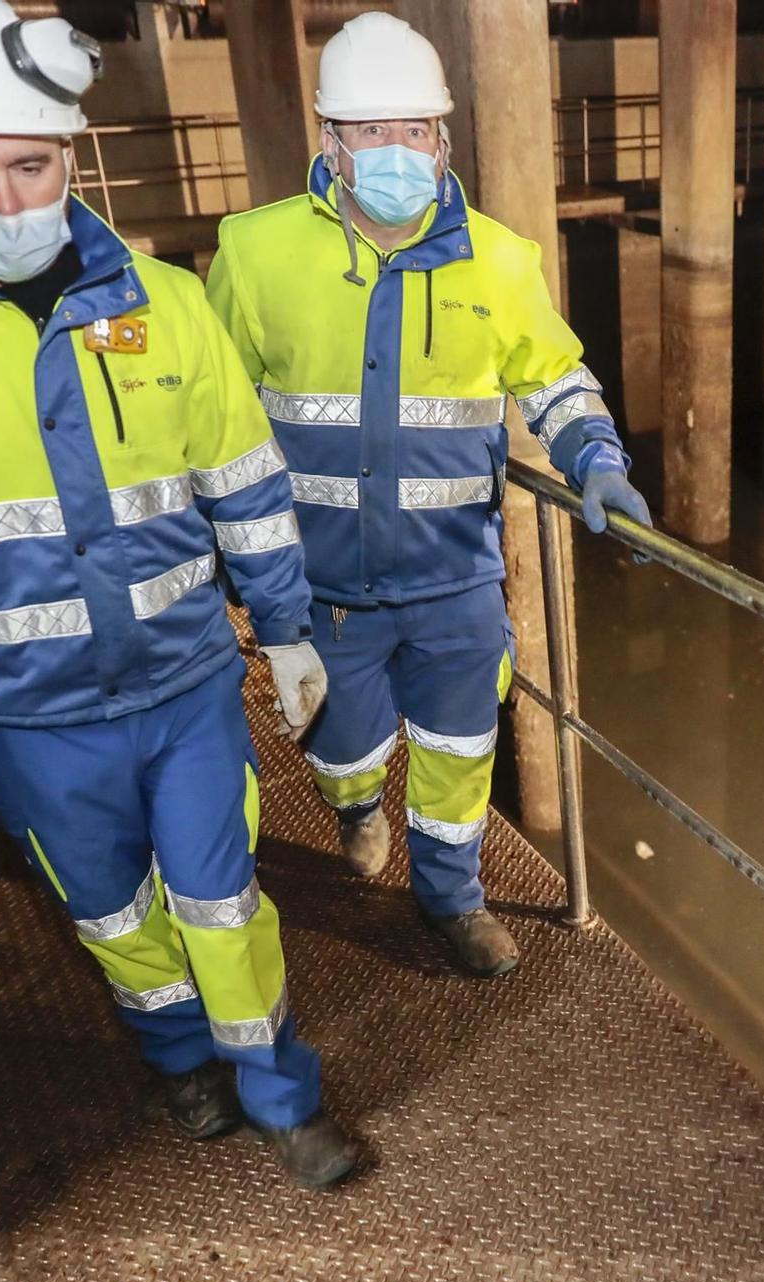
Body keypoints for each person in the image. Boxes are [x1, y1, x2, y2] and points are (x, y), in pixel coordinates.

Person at [0, 0, 354, 1187]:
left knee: (222, 898)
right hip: (23, 714)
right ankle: (175, 1056)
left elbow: (245, 485)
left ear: (71, 154)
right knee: (108, 914)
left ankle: (278, 1087)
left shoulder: (170, 304)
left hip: (187, 685)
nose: (4, 201)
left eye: (30, 165)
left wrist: (290, 629)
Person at [205, 11, 653, 979]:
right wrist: (217, 545)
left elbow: (554, 377)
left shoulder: (500, 259)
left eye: (414, 131)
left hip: (454, 578)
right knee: (342, 746)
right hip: (318, 581)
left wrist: (594, 456)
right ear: (330, 142)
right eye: (371, 133)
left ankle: (451, 897)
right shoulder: (253, 253)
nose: (396, 152)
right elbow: (214, 415)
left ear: (442, 138)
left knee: (457, 750)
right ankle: (355, 808)